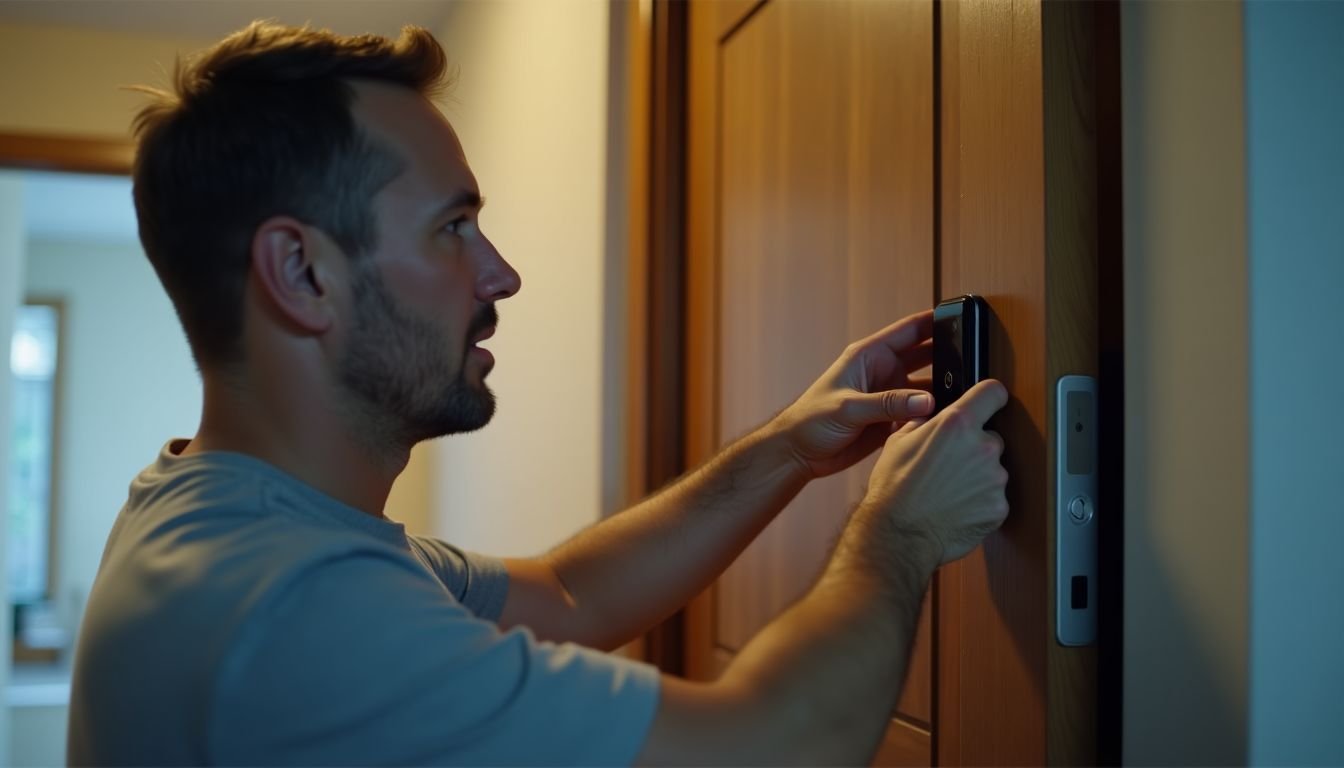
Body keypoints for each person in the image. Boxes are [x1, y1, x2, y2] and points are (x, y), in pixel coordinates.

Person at [67, 21, 1009, 766]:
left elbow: (569, 593)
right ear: (303, 274)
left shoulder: (233, 520)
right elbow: (776, 747)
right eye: (454, 226)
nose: (502, 274)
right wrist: (903, 531)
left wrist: (787, 453)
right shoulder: (285, 606)